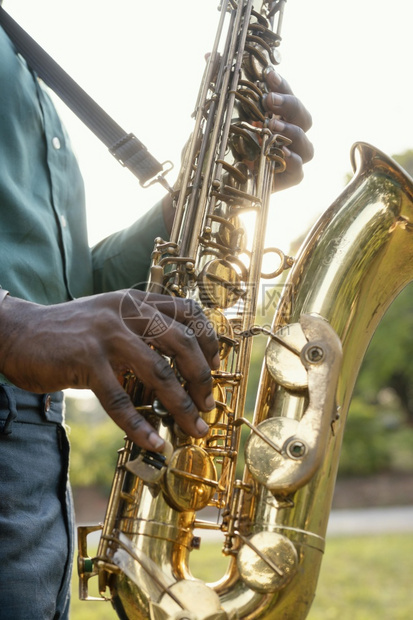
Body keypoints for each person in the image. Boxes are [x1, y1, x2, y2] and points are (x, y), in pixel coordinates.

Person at [0, 5, 313, 619]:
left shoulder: (23, 62)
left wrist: (208, 191)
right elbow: (30, 321)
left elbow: (60, 295)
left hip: (32, 445)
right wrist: (11, 326)